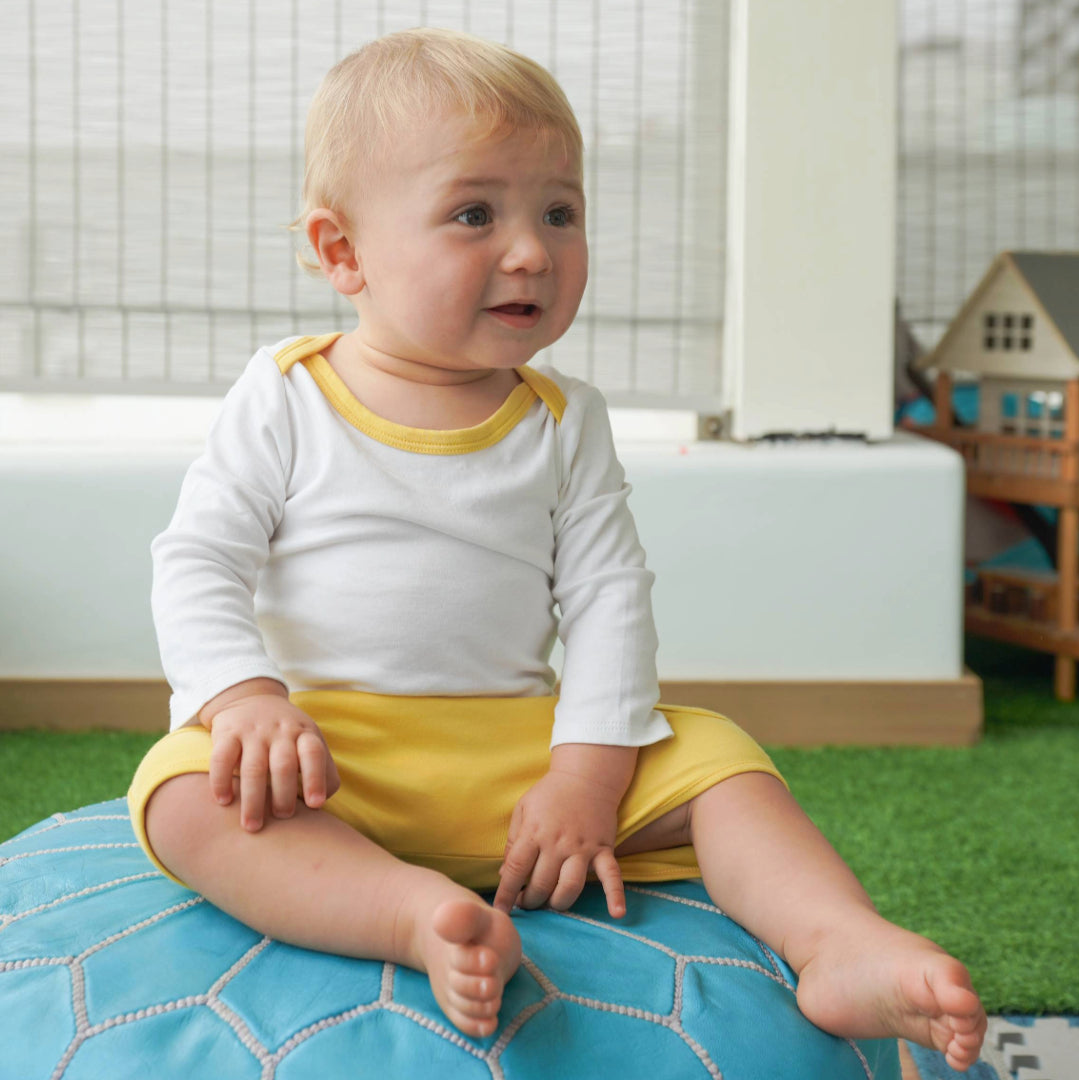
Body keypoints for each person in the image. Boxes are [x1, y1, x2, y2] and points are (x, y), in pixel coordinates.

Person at [127, 27, 986, 1070]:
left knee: (722, 764)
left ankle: (837, 942)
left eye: (560, 212)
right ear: (342, 251)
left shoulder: (562, 419)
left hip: (518, 763)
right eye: (474, 213)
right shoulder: (287, 394)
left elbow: (611, 597)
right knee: (182, 795)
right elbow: (198, 560)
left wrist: (586, 776)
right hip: (332, 759)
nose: (531, 249)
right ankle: (407, 912)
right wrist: (246, 698)